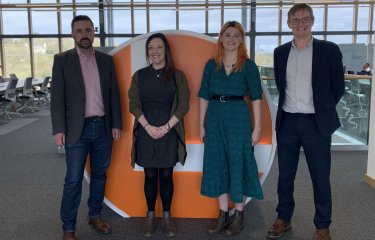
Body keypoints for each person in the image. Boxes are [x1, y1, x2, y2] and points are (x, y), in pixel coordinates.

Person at [267, 3, 345, 240]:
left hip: (317, 124)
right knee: (285, 176)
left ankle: (322, 226)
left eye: (305, 19)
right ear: (289, 23)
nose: (300, 24)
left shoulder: (329, 49)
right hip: (288, 122)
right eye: (296, 19)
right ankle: (284, 219)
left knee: (320, 176)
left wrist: (323, 108)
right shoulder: (280, 52)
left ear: (312, 21)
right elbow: (281, 86)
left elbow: (338, 87)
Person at [50, 15, 122, 240]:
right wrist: (58, 129)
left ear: (94, 32)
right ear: (73, 34)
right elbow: (57, 98)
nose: (84, 35)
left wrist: (116, 124)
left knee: (100, 175)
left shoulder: (106, 61)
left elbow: (114, 95)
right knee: (73, 180)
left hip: (102, 127)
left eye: (88, 30)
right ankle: (68, 227)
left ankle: (95, 215)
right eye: (79, 30)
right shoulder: (62, 60)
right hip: (75, 130)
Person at [198, 21, 264, 236]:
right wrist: (201, 124)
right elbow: (204, 95)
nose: (232, 39)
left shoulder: (249, 65)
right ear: (221, 37)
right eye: (227, 34)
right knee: (218, 164)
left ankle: (239, 215)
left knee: (238, 163)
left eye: (237, 35)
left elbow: (255, 97)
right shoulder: (211, 65)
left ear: (242, 39)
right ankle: (223, 215)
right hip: (215, 118)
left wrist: (257, 128)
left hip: (239, 118)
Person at [128, 33, 190, 237]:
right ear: (147, 51)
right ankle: (150, 216)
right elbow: (134, 104)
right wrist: (147, 127)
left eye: (159, 47)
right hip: (146, 132)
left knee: (166, 175)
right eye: (151, 48)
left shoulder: (178, 76)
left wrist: (165, 128)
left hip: (169, 131)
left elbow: (183, 105)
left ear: (166, 51)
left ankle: (166, 216)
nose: (155, 51)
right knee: (150, 175)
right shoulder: (139, 75)